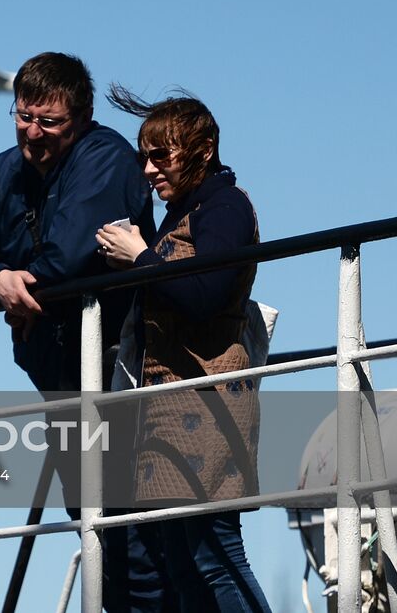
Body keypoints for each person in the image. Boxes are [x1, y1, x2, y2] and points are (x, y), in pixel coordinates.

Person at [0, 52, 164, 612]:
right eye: (24, 117)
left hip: (120, 369)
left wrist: (27, 291)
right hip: (56, 375)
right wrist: (0, 281)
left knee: (133, 535)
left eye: (49, 122)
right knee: (90, 523)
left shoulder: (107, 159)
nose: (33, 133)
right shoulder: (5, 170)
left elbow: (72, 255)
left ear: (83, 116)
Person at [95, 86, 269, 612]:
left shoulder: (226, 206)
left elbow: (205, 294)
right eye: (143, 157)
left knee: (214, 554)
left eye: (160, 155)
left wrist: (143, 257)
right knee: (182, 561)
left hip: (207, 406)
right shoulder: (184, 213)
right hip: (167, 411)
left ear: (204, 149)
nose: (148, 170)